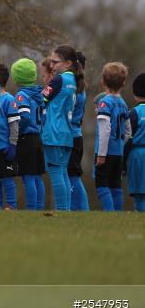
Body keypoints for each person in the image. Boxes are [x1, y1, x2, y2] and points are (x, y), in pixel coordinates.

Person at [41, 44, 83, 211]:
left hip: (53, 131)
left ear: (67, 63)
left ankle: (62, 209)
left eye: (55, 62)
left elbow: (42, 98)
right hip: (66, 132)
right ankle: (65, 209)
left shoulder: (59, 80)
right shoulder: (74, 80)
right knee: (63, 172)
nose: (51, 66)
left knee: (55, 172)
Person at [11, 58, 47, 210]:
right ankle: (39, 207)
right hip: (38, 138)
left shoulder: (22, 96)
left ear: (17, 78)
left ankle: (32, 208)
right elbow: (44, 117)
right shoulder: (40, 94)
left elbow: (24, 116)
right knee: (37, 176)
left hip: (26, 139)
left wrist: (16, 133)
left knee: (28, 177)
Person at [94, 62, 130, 211]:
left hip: (105, 152)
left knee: (102, 184)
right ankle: (118, 213)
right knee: (115, 185)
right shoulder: (123, 103)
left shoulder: (104, 103)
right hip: (118, 152)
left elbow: (105, 130)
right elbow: (128, 130)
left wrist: (101, 154)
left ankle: (109, 213)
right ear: (123, 83)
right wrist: (121, 145)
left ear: (103, 81)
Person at [0, 62, 20, 209]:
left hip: (4, 148)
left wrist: (12, 144)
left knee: (6, 179)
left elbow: (14, 124)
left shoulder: (9, 99)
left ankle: (11, 206)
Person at [68, 53, 90, 211]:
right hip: (76, 135)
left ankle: (83, 208)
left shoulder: (74, 89)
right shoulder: (80, 87)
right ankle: (78, 208)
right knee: (72, 175)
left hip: (72, 136)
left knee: (73, 176)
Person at [125, 73, 145, 212]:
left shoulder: (134, 113)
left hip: (137, 155)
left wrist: (122, 163)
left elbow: (127, 139)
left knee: (139, 193)